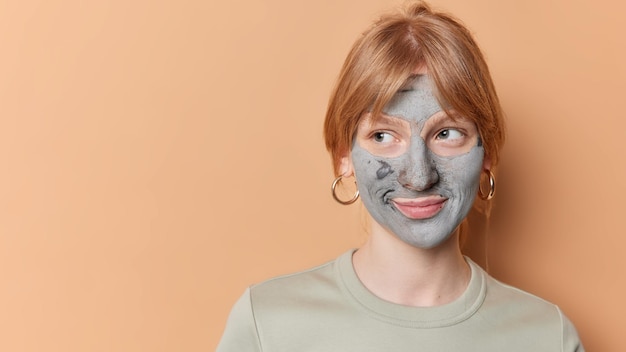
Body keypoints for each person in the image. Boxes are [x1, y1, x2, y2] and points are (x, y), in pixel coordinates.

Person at [217, 1, 584, 351]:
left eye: (447, 133)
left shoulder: (547, 336)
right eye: (383, 136)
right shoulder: (266, 324)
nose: (419, 176)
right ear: (343, 156)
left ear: (488, 152)